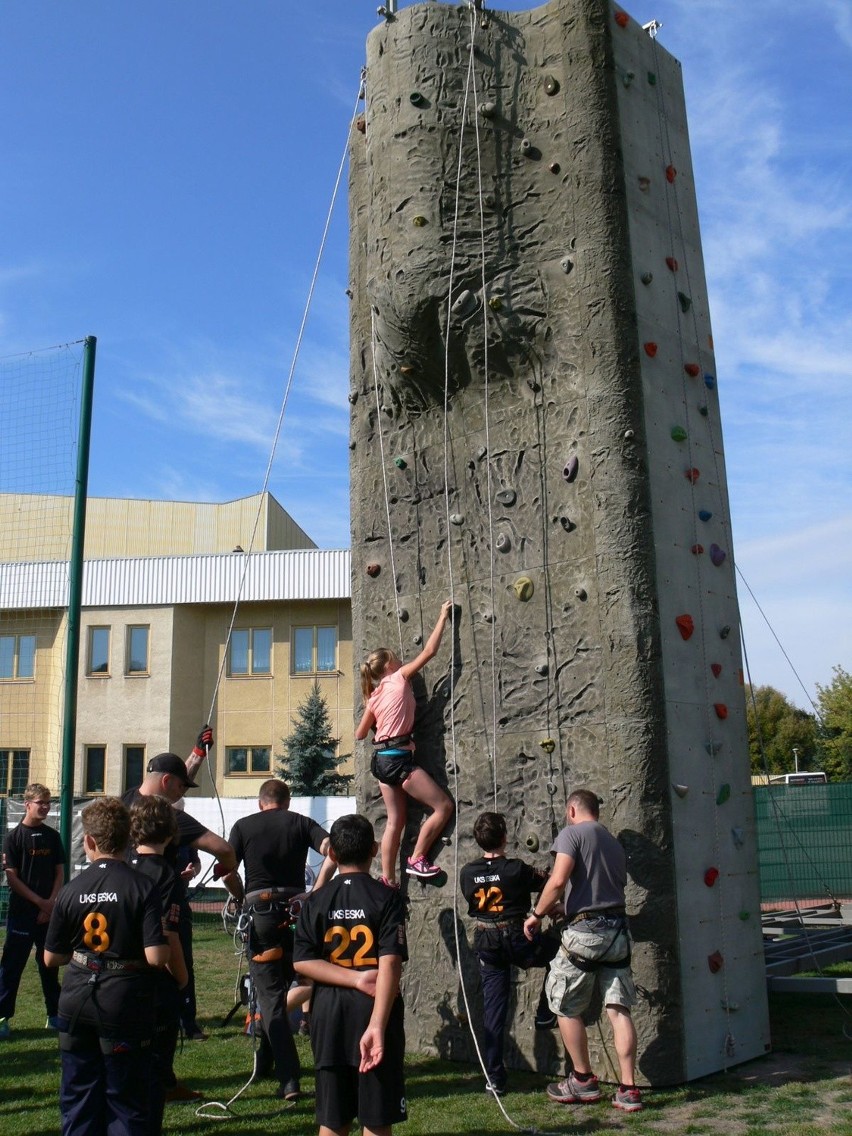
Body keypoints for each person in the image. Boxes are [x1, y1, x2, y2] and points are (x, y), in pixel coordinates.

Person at [44, 797, 170, 1136]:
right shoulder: (142, 886)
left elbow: (51, 958)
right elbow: (157, 957)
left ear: (89, 841)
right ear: (130, 839)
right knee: (126, 1103)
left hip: (76, 1000)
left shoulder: (71, 890)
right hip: (124, 1001)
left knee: (78, 1098)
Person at [123, 732, 238, 1101]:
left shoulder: (122, 804)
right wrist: (228, 870)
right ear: (168, 784)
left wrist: (196, 755)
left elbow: (168, 780)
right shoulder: (167, 818)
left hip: (120, 916)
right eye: (180, 789)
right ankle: (163, 1080)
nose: (181, 796)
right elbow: (222, 848)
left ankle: (135, 1075)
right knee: (169, 990)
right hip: (161, 914)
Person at [523, 789, 642, 1113]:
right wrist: (567, 907)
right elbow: (601, 890)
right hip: (616, 931)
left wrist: (537, 914)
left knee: (562, 1003)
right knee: (618, 1009)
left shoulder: (571, 834)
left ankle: (583, 1079)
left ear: (572, 810)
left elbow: (558, 878)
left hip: (585, 934)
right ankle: (629, 1089)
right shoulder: (613, 843)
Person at [293, 813, 408, 1136]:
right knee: (375, 1118)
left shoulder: (316, 900)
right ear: (374, 849)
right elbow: (390, 963)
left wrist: (348, 977)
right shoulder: (386, 898)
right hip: (373, 1010)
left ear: (331, 854)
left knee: (332, 1119)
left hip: (328, 1014)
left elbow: (302, 962)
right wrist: (375, 1020)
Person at [224, 777, 335, 1100]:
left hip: (261, 913)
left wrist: (240, 896)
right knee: (298, 980)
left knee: (270, 996)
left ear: (261, 803)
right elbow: (333, 849)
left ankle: (289, 1078)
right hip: (297, 913)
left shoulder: (244, 826)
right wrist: (316, 891)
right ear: (287, 802)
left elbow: (229, 871)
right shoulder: (300, 823)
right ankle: (266, 1062)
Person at [459, 811, 559, 1095]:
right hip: (515, 935)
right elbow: (549, 882)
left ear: (479, 840)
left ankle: (494, 1078)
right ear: (504, 837)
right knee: (559, 953)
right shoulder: (515, 868)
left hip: (486, 939)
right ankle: (544, 1012)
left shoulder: (468, 872)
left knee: (494, 1010)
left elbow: (471, 897)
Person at [356, 600, 455, 885]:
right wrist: (442, 615)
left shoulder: (373, 696)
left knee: (395, 822)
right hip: (400, 761)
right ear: (390, 665)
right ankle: (417, 858)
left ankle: (388, 879)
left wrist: (379, 716)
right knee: (443, 807)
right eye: (397, 658)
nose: (401, 660)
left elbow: (360, 734)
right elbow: (429, 651)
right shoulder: (399, 677)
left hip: (382, 762)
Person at [128, 796, 188, 1129]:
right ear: (169, 832)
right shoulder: (167, 876)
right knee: (154, 1067)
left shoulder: (123, 866)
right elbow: (169, 934)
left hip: (119, 976)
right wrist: (181, 977)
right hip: (155, 979)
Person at [0, 782, 66, 1039]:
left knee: (49, 963)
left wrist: (51, 903)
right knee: (12, 965)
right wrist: (40, 903)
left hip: (49, 913)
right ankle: (3, 1017)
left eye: (48, 802)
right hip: (23, 912)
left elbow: (60, 872)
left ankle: (54, 1014)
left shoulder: (52, 836)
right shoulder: (14, 838)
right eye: (41, 803)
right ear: (27, 805)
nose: (46, 807)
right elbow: (13, 879)